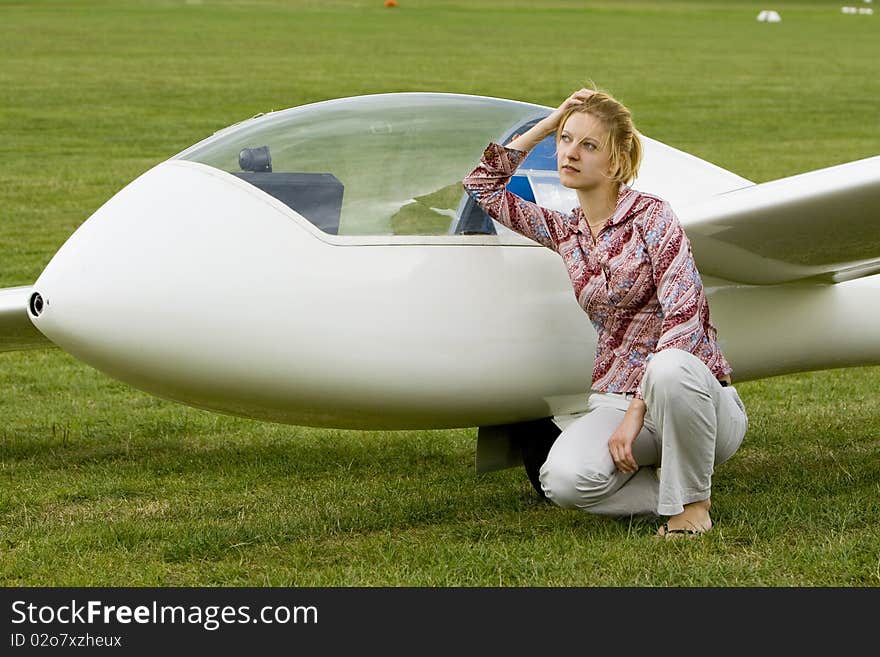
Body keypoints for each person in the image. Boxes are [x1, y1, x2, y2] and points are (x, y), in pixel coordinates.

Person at [462, 88, 748, 538]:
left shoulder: (653, 216)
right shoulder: (566, 232)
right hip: (616, 399)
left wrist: (636, 411)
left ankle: (693, 509)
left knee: (670, 368)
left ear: (615, 164)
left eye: (588, 145)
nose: (570, 153)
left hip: (697, 401)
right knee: (561, 481)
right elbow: (482, 185)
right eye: (566, 140)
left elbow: (686, 317)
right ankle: (675, 490)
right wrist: (551, 121)